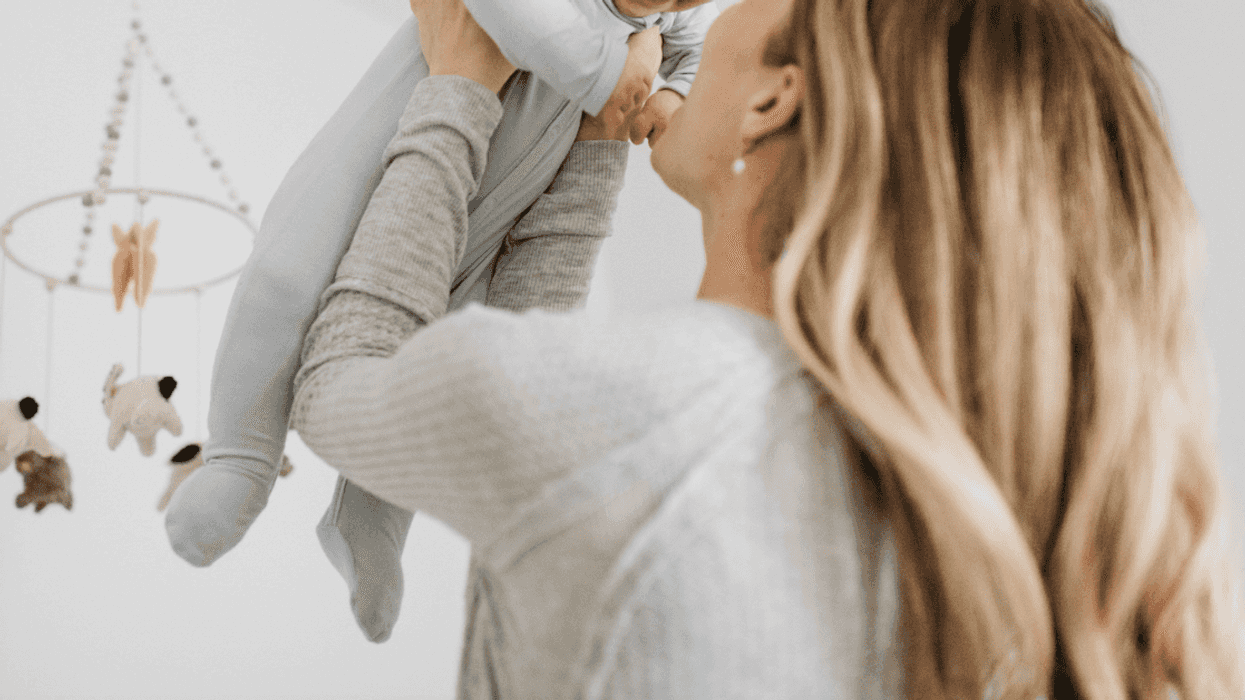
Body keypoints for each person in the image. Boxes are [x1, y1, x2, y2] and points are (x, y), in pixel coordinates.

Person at [290, 0, 1245, 697]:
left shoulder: (627, 418)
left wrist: (458, 88)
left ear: (772, 100)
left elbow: (340, 380)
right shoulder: (961, 494)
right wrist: (592, 143)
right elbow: (547, 374)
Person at [162, 0, 719, 642]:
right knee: (286, 277)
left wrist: (672, 91)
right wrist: (611, 77)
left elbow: (696, 49)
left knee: (440, 355)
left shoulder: (664, 23)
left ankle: (373, 518)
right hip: (390, 145)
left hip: (494, 206)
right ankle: (242, 456)